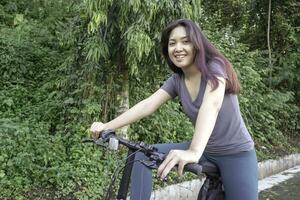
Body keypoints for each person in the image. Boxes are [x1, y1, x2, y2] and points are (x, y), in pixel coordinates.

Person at [90, 19, 258, 200]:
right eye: (172, 43)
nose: (178, 48)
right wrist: (107, 126)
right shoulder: (177, 80)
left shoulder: (215, 66)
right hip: (207, 150)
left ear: (197, 45)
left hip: (236, 153)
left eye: (185, 41)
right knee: (141, 156)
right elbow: (148, 105)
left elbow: (212, 105)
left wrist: (194, 151)